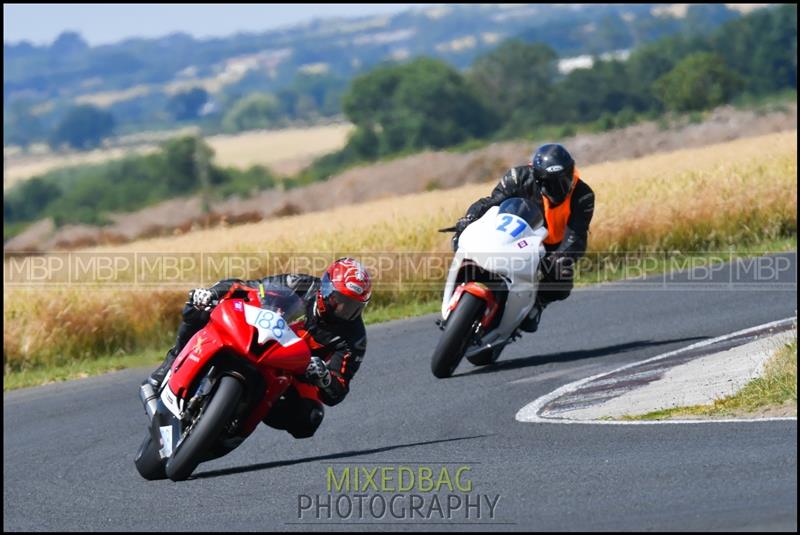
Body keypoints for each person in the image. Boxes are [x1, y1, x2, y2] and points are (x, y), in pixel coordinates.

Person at [144, 257, 371, 439]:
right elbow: (249, 287)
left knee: (309, 419)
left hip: (293, 370)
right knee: (197, 308)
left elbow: (338, 389)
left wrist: (323, 377)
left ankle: (238, 417)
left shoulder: (354, 338)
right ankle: (166, 369)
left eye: (352, 307)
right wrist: (212, 293)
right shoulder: (300, 285)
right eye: (340, 300)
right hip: (256, 337)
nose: (343, 310)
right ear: (326, 288)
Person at [453, 143, 594, 333]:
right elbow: (491, 203)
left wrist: (560, 257)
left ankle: (537, 304)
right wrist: (469, 218)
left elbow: (576, 234)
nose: (559, 188)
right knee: (459, 238)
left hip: (551, 248)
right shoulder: (518, 177)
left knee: (562, 282)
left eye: (564, 180)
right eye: (551, 183)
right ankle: (459, 285)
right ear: (537, 179)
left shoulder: (583, 195)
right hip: (511, 235)